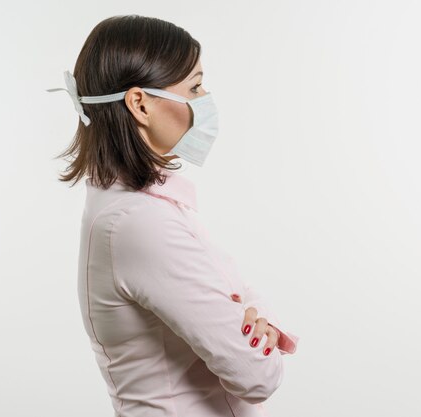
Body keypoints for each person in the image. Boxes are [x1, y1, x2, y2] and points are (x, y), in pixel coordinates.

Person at [46, 14, 299, 417]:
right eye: (195, 87)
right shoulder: (142, 224)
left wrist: (250, 316)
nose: (205, 101)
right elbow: (257, 377)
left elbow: (241, 293)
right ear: (140, 104)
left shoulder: (134, 207)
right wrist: (253, 326)